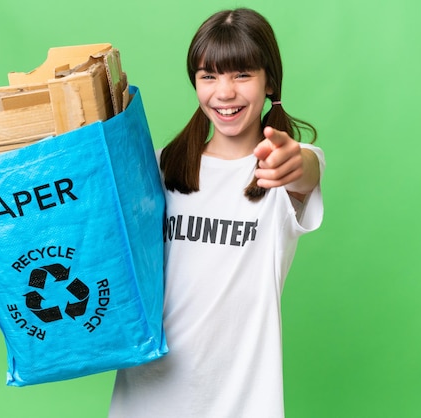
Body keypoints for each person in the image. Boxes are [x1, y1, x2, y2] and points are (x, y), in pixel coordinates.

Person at [109, 8, 325, 417]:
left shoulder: (283, 168)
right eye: (209, 76)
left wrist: (293, 162)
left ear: (269, 82)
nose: (224, 93)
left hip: (243, 399)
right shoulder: (159, 168)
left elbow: (305, 171)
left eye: (241, 74)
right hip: (149, 391)